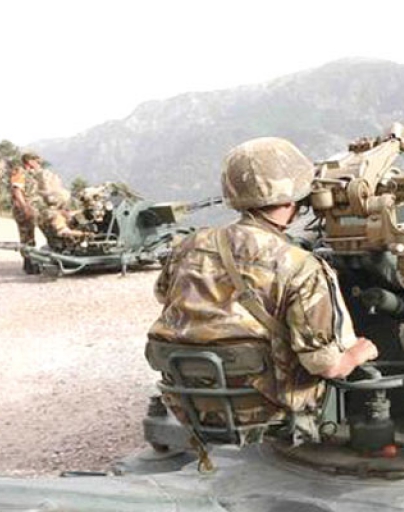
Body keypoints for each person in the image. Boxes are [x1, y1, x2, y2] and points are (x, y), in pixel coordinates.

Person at [146, 137, 378, 438]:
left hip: (186, 402)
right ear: (293, 198)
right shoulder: (300, 266)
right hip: (263, 411)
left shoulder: (189, 246)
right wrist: (358, 354)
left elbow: (163, 295)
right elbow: (328, 366)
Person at [8, 153, 43, 274]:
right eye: (36, 161)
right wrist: (24, 207)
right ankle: (29, 264)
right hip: (23, 209)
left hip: (30, 208)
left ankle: (31, 262)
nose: (38, 164)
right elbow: (17, 190)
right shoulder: (19, 172)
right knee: (26, 236)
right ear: (29, 161)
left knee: (30, 236)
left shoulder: (29, 174)